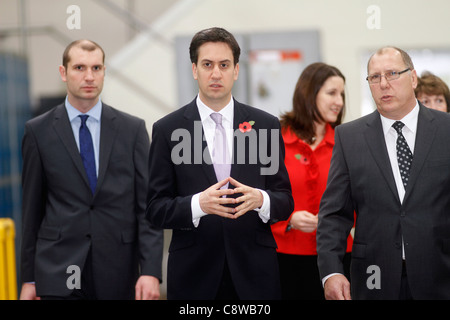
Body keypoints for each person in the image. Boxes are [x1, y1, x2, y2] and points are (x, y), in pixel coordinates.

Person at [146, 27, 294, 300]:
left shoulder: (265, 125)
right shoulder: (168, 129)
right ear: (194, 70)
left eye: (224, 65)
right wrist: (198, 204)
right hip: (194, 276)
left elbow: (285, 201)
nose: (216, 73)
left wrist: (260, 199)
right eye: (207, 65)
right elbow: (155, 208)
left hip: (255, 274)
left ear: (236, 70)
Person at [20, 39, 163, 300]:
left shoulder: (132, 130)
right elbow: (31, 211)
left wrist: (151, 271)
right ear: (63, 73)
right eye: (79, 68)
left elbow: (147, 207)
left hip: (118, 270)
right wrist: (29, 278)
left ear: (104, 72)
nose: (89, 76)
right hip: (57, 271)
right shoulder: (38, 132)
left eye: (97, 68)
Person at [317, 46, 450, 300]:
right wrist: (331, 272)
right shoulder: (349, 137)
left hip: (440, 275)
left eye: (392, 74)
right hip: (374, 279)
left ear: (413, 78)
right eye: (375, 77)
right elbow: (334, 214)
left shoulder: (445, 130)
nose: (383, 84)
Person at [271, 62, 353, 300]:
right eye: (331, 93)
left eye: (342, 94)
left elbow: (360, 200)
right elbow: (258, 195)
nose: (339, 101)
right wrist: (288, 219)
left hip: (337, 259)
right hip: (283, 257)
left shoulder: (346, 143)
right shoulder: (273, 140)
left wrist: (334, 220)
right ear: (309, 93)